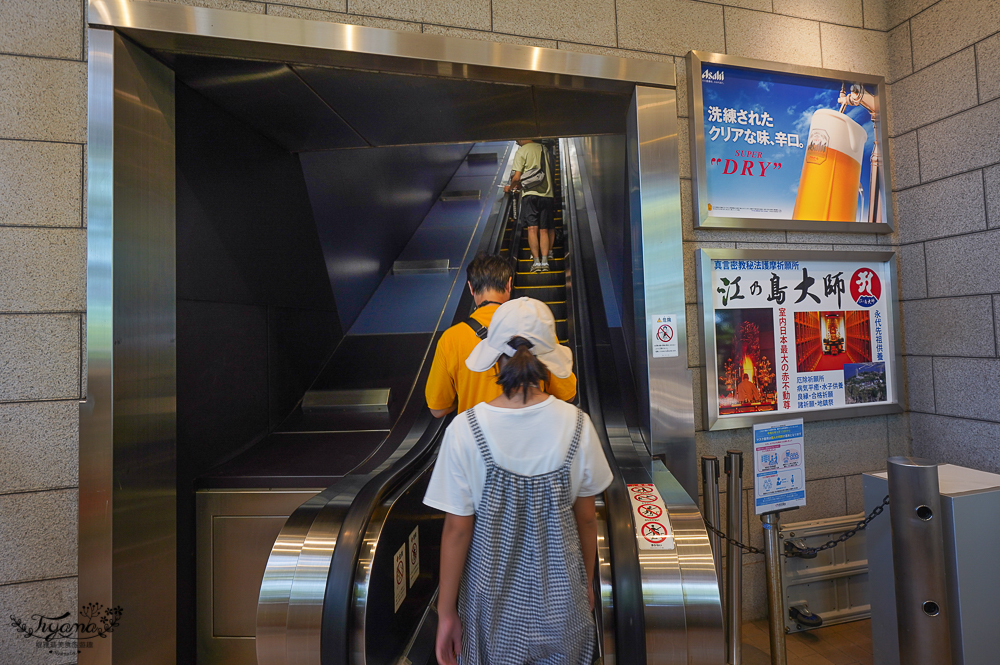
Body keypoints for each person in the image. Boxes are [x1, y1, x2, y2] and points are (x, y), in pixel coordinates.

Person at [424, 297, 613, 665]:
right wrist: (586, 583)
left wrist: (446, 613)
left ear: (495, 359)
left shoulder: (465, 430)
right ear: (547, 361)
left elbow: (457, 531)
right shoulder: (578, 425)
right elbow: (587, 518)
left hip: (488, 606)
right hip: (563, 606)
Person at [425, 253, 576, 418]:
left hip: (477, 436)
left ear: (471, 287)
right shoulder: (537, 328)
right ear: (509, 284)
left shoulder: (450, 339)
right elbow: (567, 395)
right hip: (529, 435)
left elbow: (438, 409)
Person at [504, 139, 555, 273]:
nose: (516, 142)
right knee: (544, 229)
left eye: (516, 139)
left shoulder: (522, 151)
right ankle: (545, 261)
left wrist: (511, 188)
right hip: (547, 194)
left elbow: (516, 178)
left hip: (530, 194)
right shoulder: (544, 149)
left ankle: (536, 262)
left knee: (532, 229)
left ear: (522, 138)